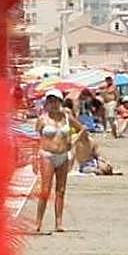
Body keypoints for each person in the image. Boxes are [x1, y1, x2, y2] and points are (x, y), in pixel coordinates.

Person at [34, 89, 83, 233]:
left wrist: (73, 140)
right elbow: (35, 140)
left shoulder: (66, 117)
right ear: (47, 103)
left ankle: (59, 222)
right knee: (45, 190)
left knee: (61, 190)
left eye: (56, 101)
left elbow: (81, 128)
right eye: (50, 101)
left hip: (63, 155)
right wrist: (34, 159)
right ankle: (38, 222)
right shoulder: (42, 119)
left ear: (60, 102)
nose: (53, 104)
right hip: (47, 155)